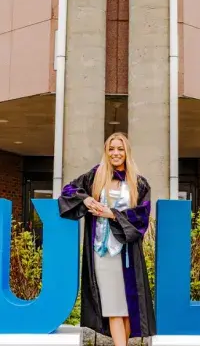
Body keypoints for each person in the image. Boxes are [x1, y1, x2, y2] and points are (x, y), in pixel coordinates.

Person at [57, 132, 156, 345]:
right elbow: (68, 191)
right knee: (113, 308)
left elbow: (142, 216)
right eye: (111, 149)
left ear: (126, 152)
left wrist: (112, 214)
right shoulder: (96, 176)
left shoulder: (138, 183)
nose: (115, 153)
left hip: (126, 252)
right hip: (101, 252)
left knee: (127, 309)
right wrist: (86, 199)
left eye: (120, 149)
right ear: (106, 152)